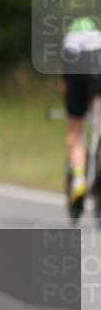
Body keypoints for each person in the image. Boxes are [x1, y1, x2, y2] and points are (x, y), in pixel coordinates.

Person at [61, 16, 101, 216]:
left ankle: (78, 180)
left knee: (75, 131)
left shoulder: (70, 39)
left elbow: (66, 85)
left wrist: (74, 107)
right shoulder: (98, 37)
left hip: (77, 71)